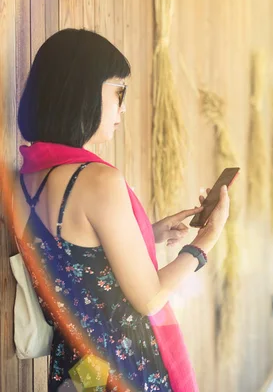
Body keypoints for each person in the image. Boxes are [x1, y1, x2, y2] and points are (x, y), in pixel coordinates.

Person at [11, 28, 228, 392]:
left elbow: (75, 260)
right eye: (119, 91)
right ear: (81, 91)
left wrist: (150, 233)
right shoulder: (97, 180)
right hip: (124, 369)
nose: (123, 107)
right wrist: (205, 242)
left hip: (74, 372)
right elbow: (149, 298)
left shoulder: (26, 179)